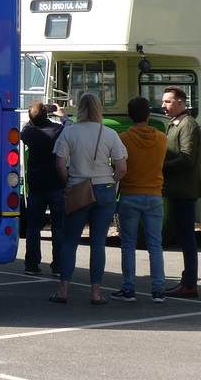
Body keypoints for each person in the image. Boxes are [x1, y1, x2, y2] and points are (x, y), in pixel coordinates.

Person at [50, 93, 127, 305]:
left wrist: (69, 181)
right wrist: (110, 180)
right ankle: (95, 293)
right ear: (99, 109)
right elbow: (121, 167)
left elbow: (59, 164)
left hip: (78, 188)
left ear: (80, 108)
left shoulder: (69, 132)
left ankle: (63, 290)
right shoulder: (110, 134)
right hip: (104, 189)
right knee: (98, 243)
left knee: (70, 242)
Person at [111, 96, 167, 303]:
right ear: (149, 115)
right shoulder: (162, 138)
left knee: (128, 245)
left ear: (129, 115)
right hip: (154, 195)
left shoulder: (123, 138)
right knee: (155, 245)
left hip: (130, 194)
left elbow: (117, 166)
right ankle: (158, 291)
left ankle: (128, 289)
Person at [160, 86, 201, 298]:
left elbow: (186, 158)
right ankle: (188, 281)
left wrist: (159, 166)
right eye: (163, 101)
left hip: (184, 190)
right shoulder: (177, 123)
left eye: (167, 101)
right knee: (184, 237)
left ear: (180, 102)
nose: (163, 105)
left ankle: (189, 283)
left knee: (186, 238)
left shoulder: (188, 125)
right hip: (177, 189)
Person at [20, 100, 66, 276]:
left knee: (33, 226)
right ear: (47, 114)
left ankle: (32, 263)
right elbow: (71, 128)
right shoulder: (57, 131)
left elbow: (27, 127)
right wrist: (62, 116)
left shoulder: (29, 132)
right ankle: (58, 266)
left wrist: (37, 116)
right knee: (59, 226)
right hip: (56, 183)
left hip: (36, 185)